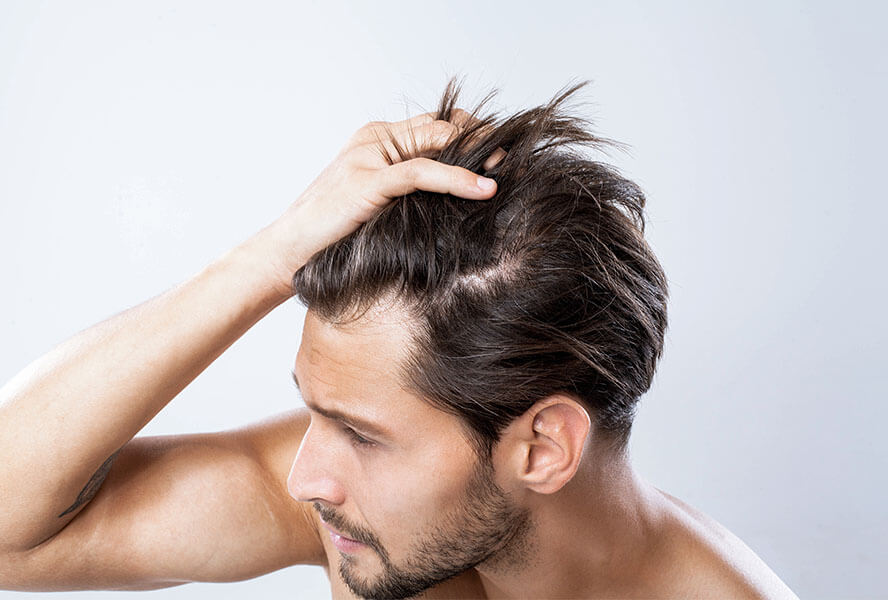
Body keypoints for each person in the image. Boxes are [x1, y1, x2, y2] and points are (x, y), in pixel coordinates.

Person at [0, 77, 798, 599]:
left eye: (361, 434)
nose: (306, 477)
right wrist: (271, 257)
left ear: (544, 447)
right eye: (317, 413)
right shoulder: (379, 524)